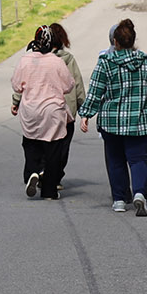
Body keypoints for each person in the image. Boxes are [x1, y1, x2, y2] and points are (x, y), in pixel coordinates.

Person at [79, 19, 147, 216]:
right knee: (138, 159)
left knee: (115, 160)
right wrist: (142, 103)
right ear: (132, 40)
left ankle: (119, 200)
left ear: (115, 42)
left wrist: (86, 114)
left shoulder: (106, 63)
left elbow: (96, 91)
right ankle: (139, 193)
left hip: (111, 122)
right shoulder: (144, 60)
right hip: (139, 121)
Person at [11, 25, 76, 199]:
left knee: (31, 143)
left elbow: (17, 85)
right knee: (53, 149)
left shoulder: (25, 60)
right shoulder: (57, 62)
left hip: (30, 110)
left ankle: (33, 171)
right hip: (52, 110)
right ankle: (49, 190)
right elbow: (69, 85)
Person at [50, 22, 85, 180]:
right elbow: (77, 83)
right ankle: (56, 176)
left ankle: (45, 170)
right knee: (63, 145)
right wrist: (83, 108)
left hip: (46, 108)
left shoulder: (41, 59)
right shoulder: (68, 59)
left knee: (46, 142)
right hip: (67, 110)